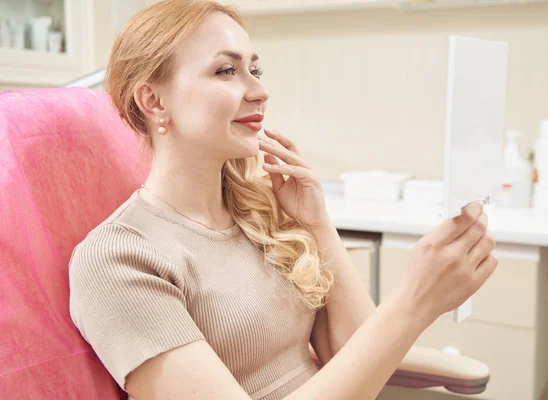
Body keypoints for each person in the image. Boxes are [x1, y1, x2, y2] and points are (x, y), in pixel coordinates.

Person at [68, 1, 498, 399]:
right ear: (153, 101)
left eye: (255, 70)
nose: (258, 91)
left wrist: (317, 223)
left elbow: (355, 354)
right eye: (225, 71)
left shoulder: (259, 210)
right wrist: (414, 302)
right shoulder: (118, 259)